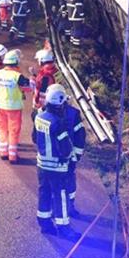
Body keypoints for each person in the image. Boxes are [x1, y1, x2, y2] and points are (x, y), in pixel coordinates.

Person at [34, 85, 80, 240]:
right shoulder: (58, 123)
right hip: (57, 167)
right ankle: (64, 228)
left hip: (42, 165)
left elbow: (35, 138)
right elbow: (66, 147)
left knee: (44, 193)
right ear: (60, 102)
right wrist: (70, 159)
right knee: (61, 196)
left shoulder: (39, 116)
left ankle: (45, 224)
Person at [0, 50, 32, 163]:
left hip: (1, 106)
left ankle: (3, 153)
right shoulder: (17, 76)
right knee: (13, 131)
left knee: (2, 129)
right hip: (14, 107)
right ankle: (12, 156)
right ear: (16, 62)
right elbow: (28, 87)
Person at [64, 95, 86, 218]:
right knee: (69, 183)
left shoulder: (44, 113)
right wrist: (76, 156)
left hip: (50, 161)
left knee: (51, 185)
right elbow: (80, 136)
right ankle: (69, 207)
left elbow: (36, 138)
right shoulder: (73, 113)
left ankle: (53, 209)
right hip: (69, 158)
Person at [30, 50, 59, 141]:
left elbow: (42, 90)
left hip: (43, 106)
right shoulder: (52, 70)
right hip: (51, 103)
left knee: (36, 120)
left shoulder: (45, 74)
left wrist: (38, 106)